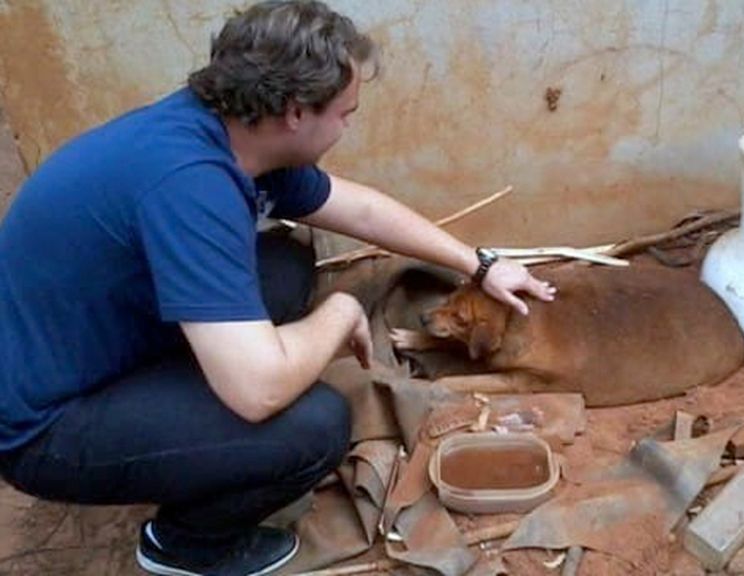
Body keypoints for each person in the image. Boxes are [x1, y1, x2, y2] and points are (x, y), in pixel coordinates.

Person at [0, 1, 555, 574]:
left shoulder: (230, 128)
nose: (348, 126)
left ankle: (186, 398)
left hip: (85, 340)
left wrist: (481, 265)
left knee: (283, 270)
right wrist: (339, 313)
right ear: (295, 111)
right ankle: (186, 545)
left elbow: (358, 209)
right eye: (346, 113)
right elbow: (257, 392)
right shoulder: (193, 187)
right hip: (42, 426)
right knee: (315, 427)